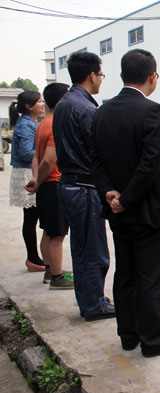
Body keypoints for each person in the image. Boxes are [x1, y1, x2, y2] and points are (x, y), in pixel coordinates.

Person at [91, 49, 160, 357]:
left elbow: (95, 160)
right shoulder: (152, 112)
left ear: (121, 76)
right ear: (152, 77)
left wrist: (109, 193)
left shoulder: (102, 112)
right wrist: (127, 199)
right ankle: (153, 340)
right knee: (151, 277)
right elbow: (149, 165)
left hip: (118, 210)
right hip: (148, 211)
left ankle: (129, 334)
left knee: (126, 272)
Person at [53, 51, 114, 321]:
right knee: (94, 250)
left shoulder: (64, 104)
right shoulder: (85, 108)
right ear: (91, 75)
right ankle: (94, 305)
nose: (101, 79)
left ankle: (88, 300)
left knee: (80, 248)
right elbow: (99, 149)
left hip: (69, 184)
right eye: (100, 75)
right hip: (84, 186)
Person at [24, 83, 73, 289]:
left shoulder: (42, 123)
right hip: (53, 184)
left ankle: (50, 269)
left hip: (46, 185)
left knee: (48, 231)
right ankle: (57, 277)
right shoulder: (55, 124)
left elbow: (37, 156)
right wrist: (39, 181)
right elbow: (49, 160)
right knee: (57, 235)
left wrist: (37, 179)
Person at [8, 91, 46, 272]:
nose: (42, 104)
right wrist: (47, 154)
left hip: (30, 171)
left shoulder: (31, 123)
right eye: (38, 101)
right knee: (31, 219)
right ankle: (33, 258)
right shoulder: (25, 125)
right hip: (27, 172)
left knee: (31, 218)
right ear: (29, 106)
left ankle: (34, 257)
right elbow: (25, 152)